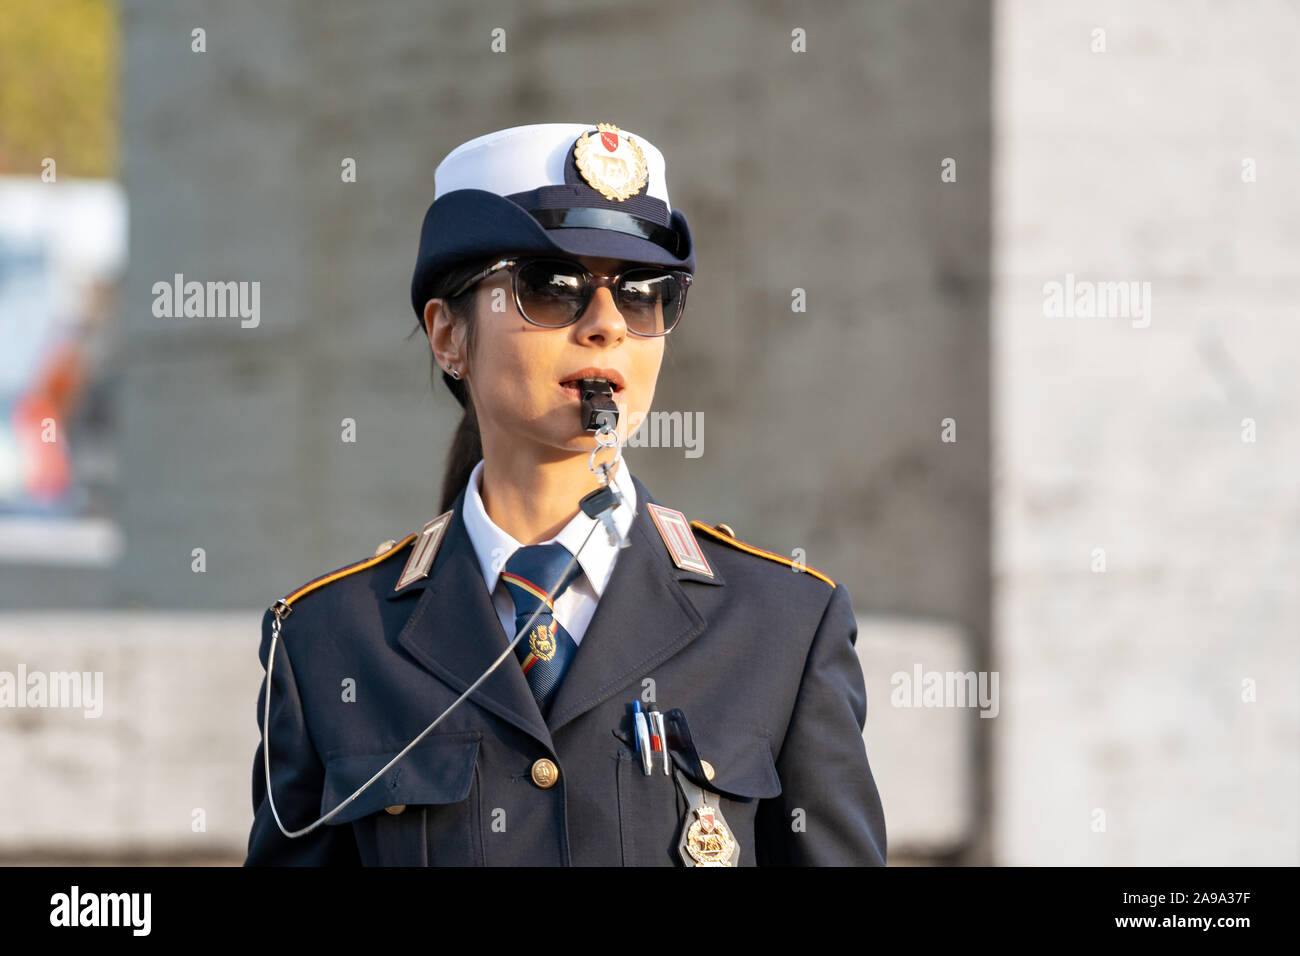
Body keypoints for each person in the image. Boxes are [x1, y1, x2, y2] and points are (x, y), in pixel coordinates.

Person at [245, 122, 887, 866]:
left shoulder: (783, 626)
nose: (608, 324)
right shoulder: (330, 642)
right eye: (551, 288)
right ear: (448, 334)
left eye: (646, 295)